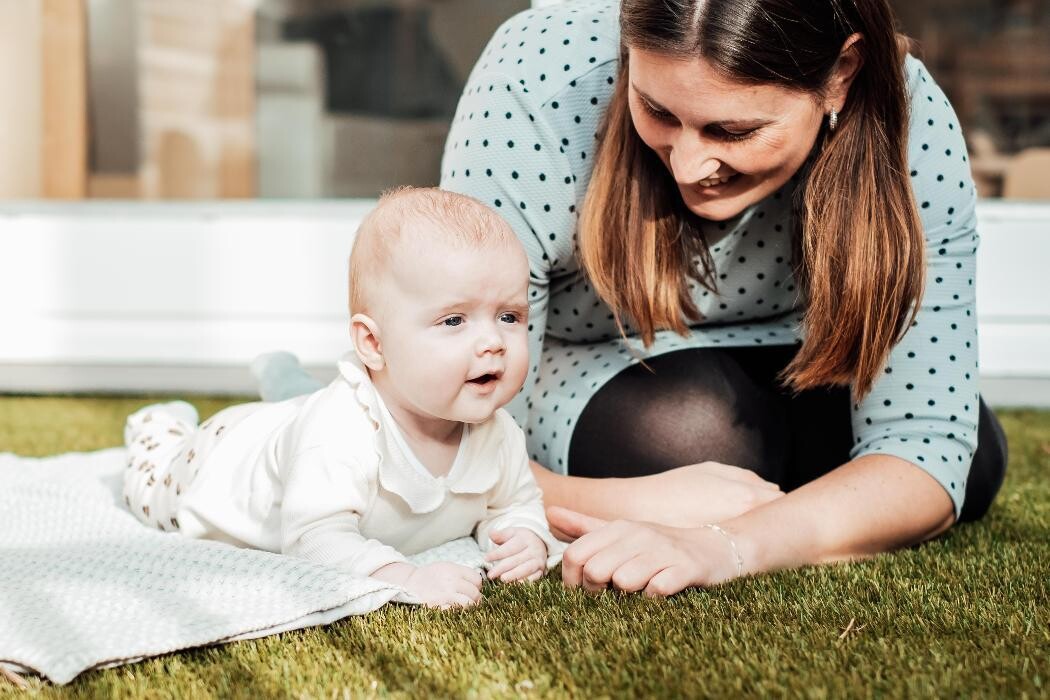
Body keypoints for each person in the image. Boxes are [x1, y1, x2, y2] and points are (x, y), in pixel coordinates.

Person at [259, 0, 1008, 596]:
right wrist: (637, 505)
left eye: (733, 129)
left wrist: (725, 544)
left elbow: (924, 448)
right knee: (696, 435)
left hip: (792, 359)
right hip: (584, 359)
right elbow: (467, 425)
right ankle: (321, 412)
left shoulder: (911, 119)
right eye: (658, 111)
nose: (688, 164)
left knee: (972, 462)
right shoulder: (535, 83)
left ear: (840, 75)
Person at [123, 187, 562, 608]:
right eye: (453, 321)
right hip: (220, 458)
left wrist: (524, 536)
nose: (493, 342)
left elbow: (514, 503)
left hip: (293, 427)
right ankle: (159, 424)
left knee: (299, 407)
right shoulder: (339, 434)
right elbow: (314, 539)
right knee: (151, 488)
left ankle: (282, 376)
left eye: (509, 316)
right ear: (373, 344)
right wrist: (406, 577)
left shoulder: (498, 434)